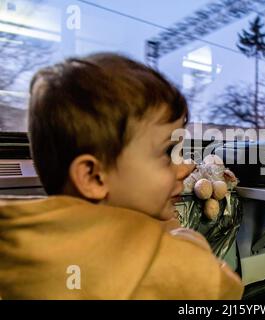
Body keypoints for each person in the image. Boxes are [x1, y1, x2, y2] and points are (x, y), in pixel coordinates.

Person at [0, 53, 243, 299]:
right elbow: (228, 291)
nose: (185, 168)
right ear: (93, 177)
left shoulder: (17, 246)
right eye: (167, 152)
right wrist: (183, 237)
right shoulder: (168, 262)